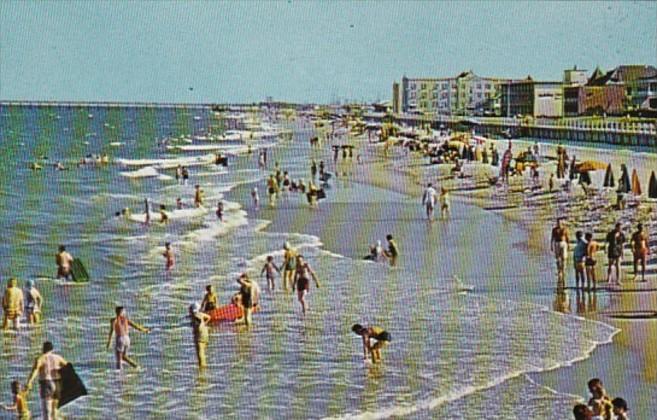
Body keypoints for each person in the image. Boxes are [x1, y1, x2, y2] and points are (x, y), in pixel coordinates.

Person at [25, 341, 67, 420]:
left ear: (43, 348)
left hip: (46, 384)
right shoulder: (58, 358)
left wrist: (29, 383)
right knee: (54, 412)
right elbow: (68, 368)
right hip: (57, 384)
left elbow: (35, 371)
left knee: (46, 414)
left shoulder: (41, 358)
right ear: (52, 349)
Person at [189, 303, 211, 368]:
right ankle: (203, 366)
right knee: (202, 352)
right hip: (205, 333)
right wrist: (204, 323)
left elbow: (197, 322)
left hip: (200, 335)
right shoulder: (201, 314)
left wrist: (196, 328)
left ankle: (202, 368)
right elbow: (209, 317)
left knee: (200, 353)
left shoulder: (195, 316)